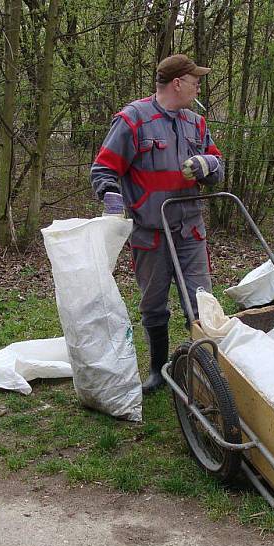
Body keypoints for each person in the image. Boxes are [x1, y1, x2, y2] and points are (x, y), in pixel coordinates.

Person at [90, 54, 223, 392]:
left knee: (201, 301)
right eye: (194, 80)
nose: (198, 86)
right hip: (150, 233)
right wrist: (112, 196)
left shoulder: (196, 123)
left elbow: (219, 166)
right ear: (177, 83)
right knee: (153, 304)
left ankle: (210, 373)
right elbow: (104, 169)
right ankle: (158, 368)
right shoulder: (133, 120)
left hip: (190, 231)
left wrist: (208, 163)